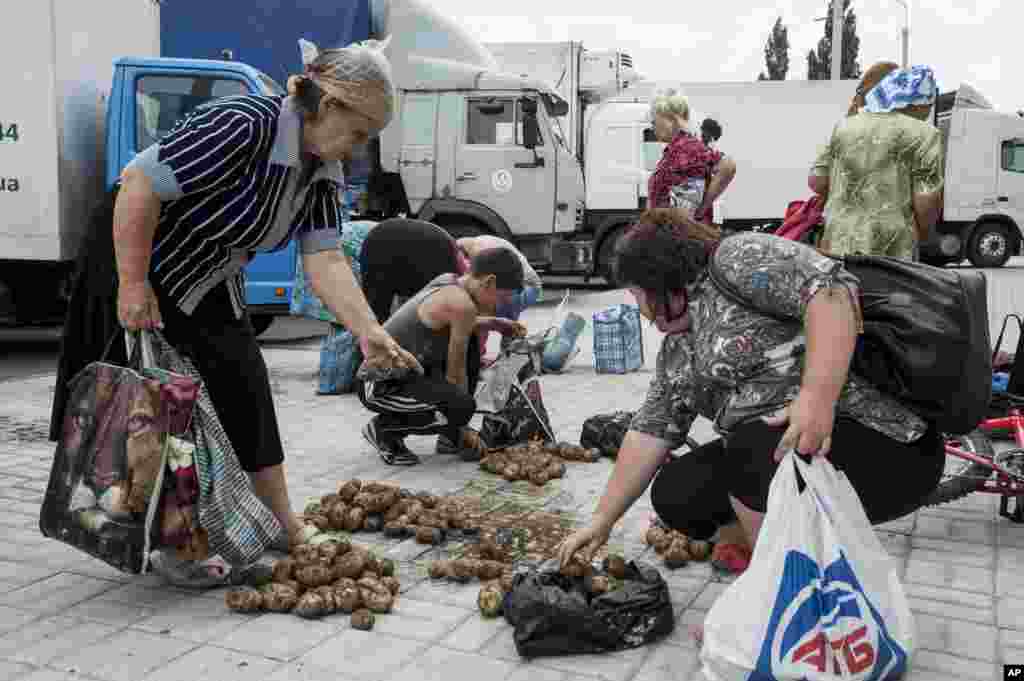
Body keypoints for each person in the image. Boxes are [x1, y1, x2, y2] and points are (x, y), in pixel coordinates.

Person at [51, 38, 420, 579]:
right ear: (329, 105)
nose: (359, 148)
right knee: (152, 408)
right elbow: (137, 186)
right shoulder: (245, 123)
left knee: (245, 386)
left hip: (208, 276)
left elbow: (326, 261)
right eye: (359, 131)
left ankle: (282, 523)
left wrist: (368, 332)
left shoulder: (321, 171)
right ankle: (171, 543)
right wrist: (131, 285)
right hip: (136, 253)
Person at [557, 208, 943, 605]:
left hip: (886, 445)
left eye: (638, 294)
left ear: (661, 279)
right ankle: (785, 548)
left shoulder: (734, 260)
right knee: (679, 492)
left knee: (749, 448)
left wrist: (816, 398)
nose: (641, 310)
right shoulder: (680, 347)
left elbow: (830, 291)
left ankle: (787, 595)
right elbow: (651, 429)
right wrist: (601, 521)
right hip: (788, 454)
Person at [358, 248, 526, 465]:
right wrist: (461, 423)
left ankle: (449, 434)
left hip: (404, 375)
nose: (499, 306)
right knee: (460, 405)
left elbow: (455, 323)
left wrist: (494, 323)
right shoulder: (462, 306)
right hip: (376, 384)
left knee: (468, 362)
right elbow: (456, 371)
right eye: (502, 298)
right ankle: (384, 430)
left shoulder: (450, 282)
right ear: (489, 282)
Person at [810, 64, 945, 259]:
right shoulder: (925, 134)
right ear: (916, 102)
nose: (928, 112)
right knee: (887, 290)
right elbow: (926, 200)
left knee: (847, 289)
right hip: (894, 247)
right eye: (929, 105)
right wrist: (923, 231)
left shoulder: (843, 127)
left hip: (838, 241)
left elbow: (816, 181)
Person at [648, 90, 736, 224]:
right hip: (671, 233)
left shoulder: (687, 148)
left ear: (670, 120)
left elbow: (728, 166)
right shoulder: (678, 149)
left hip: (678, 237)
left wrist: (702, 208)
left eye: (655, 118)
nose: (652, 123)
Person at [358, 218, 469, 324]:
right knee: (375, 315)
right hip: (382, 247)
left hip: (396, 243)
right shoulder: (448, 278)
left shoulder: (452, 267)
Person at [456, 234, 542, 357]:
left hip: (527, 285)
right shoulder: (470, 254)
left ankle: (508, 350)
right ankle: (483, 354)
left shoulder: (482, 254)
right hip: (509, 284)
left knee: (491, 305)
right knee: (482, 305)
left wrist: (493, 321)